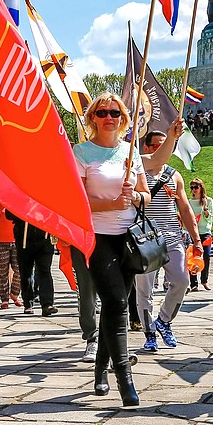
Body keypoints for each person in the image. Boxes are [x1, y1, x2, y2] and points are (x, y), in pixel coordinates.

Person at [70, 93, 152, 406]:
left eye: (115, 113)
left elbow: (147, 195)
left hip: (129, 239)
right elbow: (77, 202)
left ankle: (100, 370)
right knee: (117, 302)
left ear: (123, 118)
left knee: (114, 304)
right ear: (92, 118)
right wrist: (112, 203)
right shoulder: (81, 152)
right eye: (102, 112)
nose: (109, 118)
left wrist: (135, 199)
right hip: (96, 237)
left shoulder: (131, 153)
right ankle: (124, 379)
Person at [135, 122, 198, 354]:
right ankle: (149, 332)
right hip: (145, 238)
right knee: (145, 291)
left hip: (172, 237)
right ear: (147, 147)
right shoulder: (137, 168)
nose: (165, 151)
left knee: (181, 282)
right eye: (160, 147)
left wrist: (197, 240)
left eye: (169, 146)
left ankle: (163, 320)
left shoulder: (174, 175)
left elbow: (185, 209)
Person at [187, 178, 213, 290]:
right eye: (192, 187)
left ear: (201, 188)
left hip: (205, 232)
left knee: (206, 256)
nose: (194, 190)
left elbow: (209, 217)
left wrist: (205, 206)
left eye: (196, 187)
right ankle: (193, 283)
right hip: (193, 232)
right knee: (192, 257)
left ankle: (204, 280)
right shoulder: (189, 202)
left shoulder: (208, 200)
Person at [0, 206, 21, 309]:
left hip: (17, 239)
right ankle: (4, 299)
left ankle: (14, 293)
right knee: (2, 272)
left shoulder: (14, 199)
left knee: (19, 269)